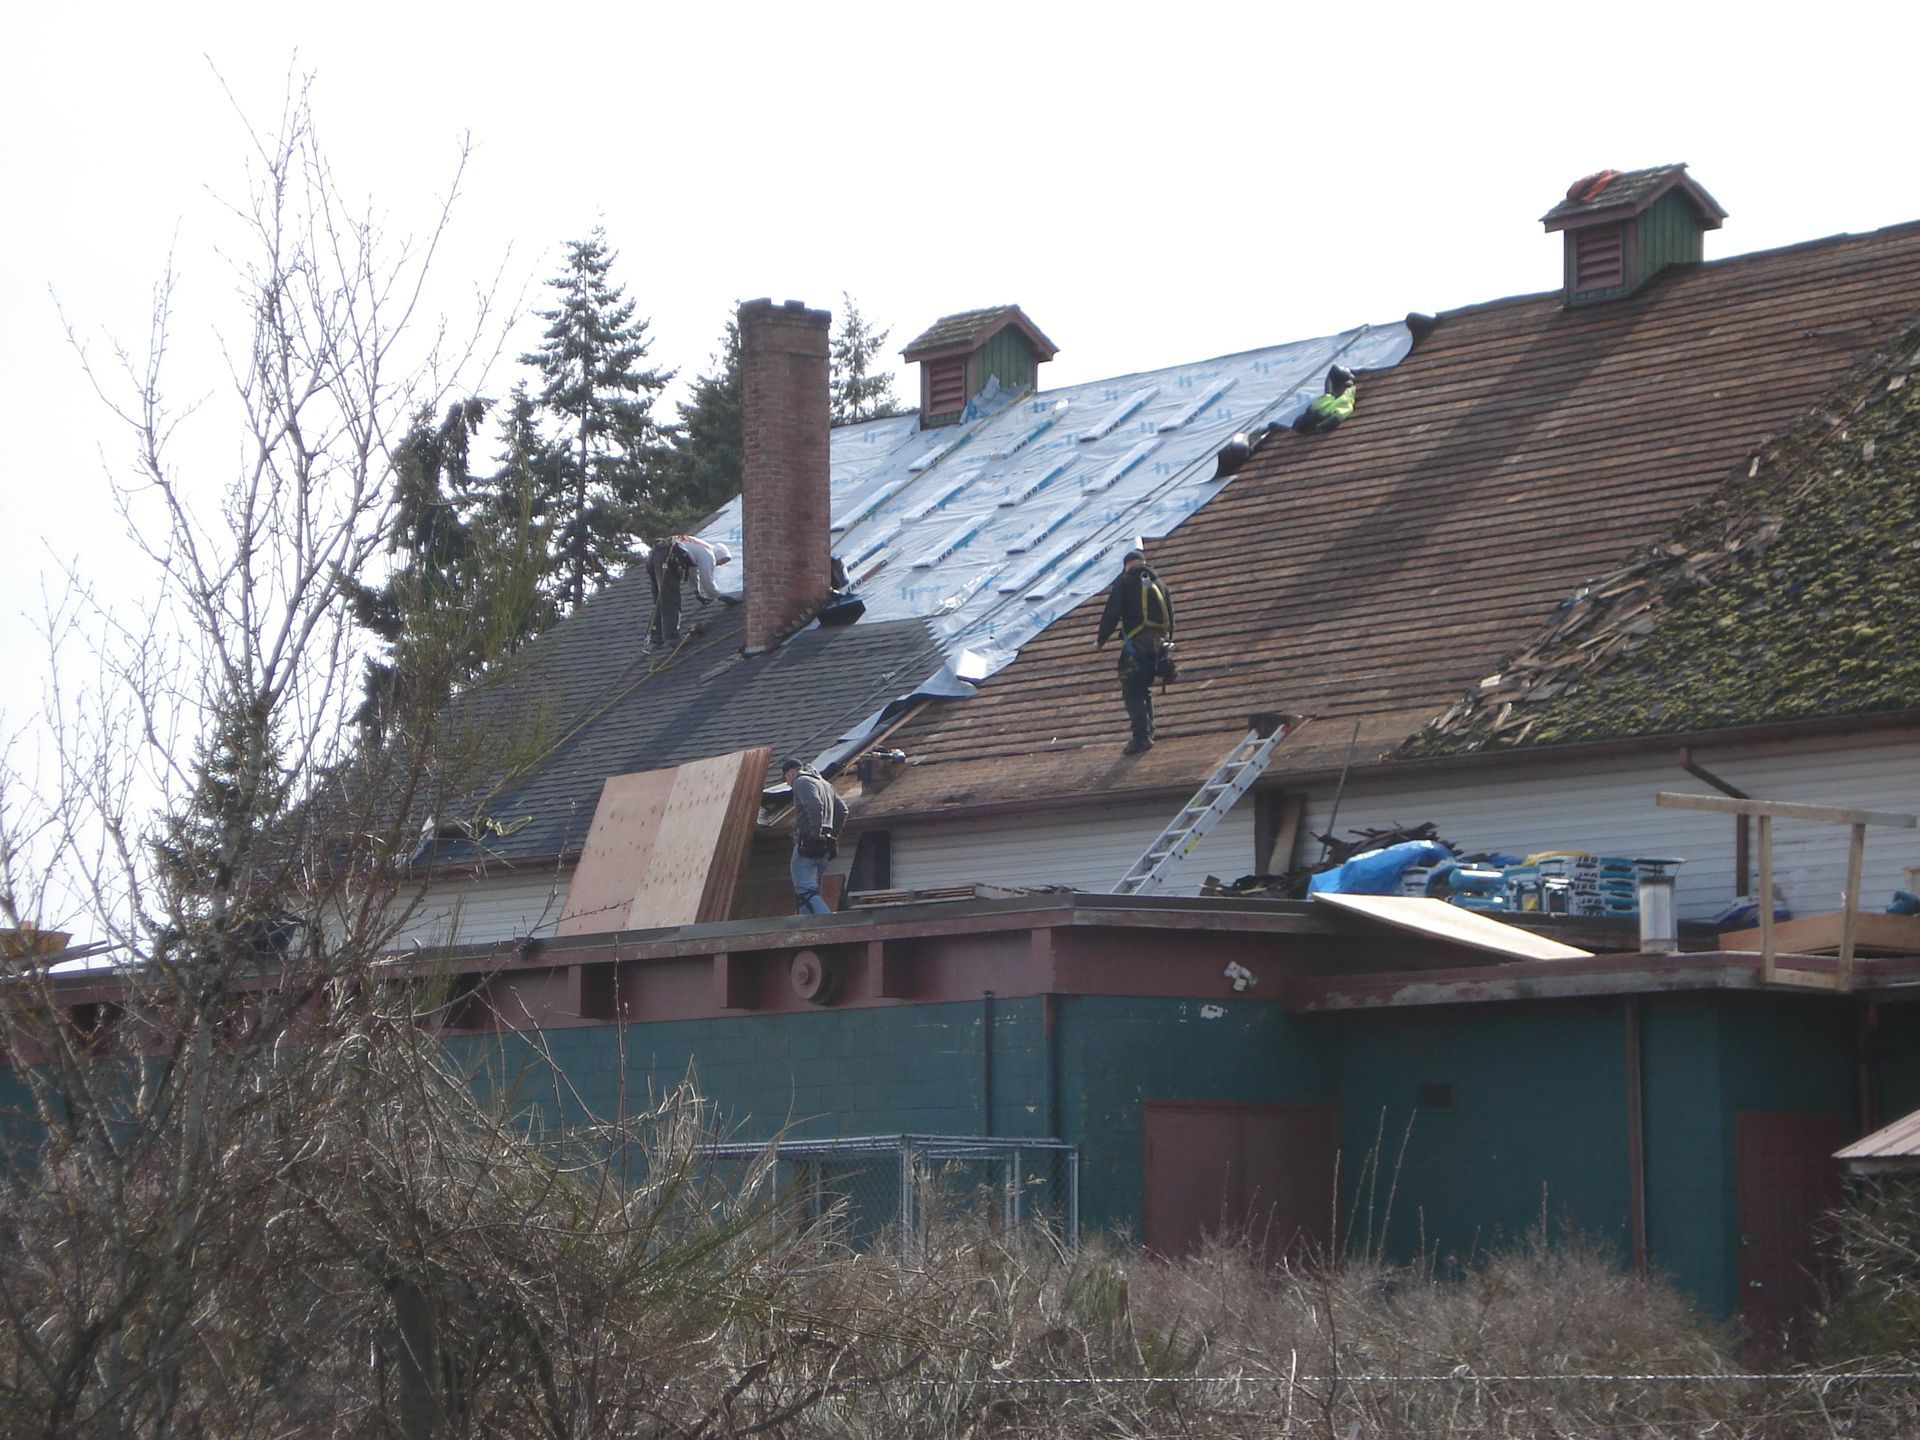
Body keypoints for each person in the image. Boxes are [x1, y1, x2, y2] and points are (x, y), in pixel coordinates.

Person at [1095, 548, 1175, 756]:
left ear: (1126, 566)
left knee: (1132, 690)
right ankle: (1150, 732)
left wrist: (1101, 640)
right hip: (1159, 647)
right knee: (1144, 688)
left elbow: (1112, 613)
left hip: (1136, 646)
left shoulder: (1124, 582)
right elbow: (1171, 617)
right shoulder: (1160, 584)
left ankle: (1141, 738)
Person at [646, 535, 736, 650]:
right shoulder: (709, 554)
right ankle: (672, 637)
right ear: (718, 553)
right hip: (668, 557)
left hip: (654, 555)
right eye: (723, 560)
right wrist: (720, 596)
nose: (720, 564)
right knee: (671, 597)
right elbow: (707, 581)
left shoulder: (697, 547)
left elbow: (693, 572)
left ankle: (656, 636)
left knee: (659, 598)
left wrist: (696, 592)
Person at [782, 756, 848, 915]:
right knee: (809, 892)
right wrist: (832, 837)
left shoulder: (801, 782)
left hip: (808, 844)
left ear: (790, 772)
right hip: (824, 847)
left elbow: (814, 806)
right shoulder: (826, 785)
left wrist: (813, 835)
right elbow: (842, 811)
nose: (788, 783)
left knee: (805, 891)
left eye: (786, 779)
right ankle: (806, 930)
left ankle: (828, 925)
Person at [1292, 364, 1356, 435]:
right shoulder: (1338, 399)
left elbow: (1333, 420)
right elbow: (1333, 420)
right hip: (1335, 403)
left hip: (1327, 406)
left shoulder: (1327, 399)